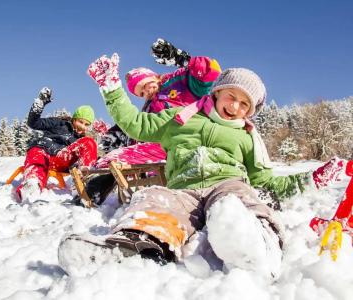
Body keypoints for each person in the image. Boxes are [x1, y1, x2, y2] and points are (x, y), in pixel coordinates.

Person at [59, 54, 347, 280]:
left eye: (245, 104)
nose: (235, 107)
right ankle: (131, 245)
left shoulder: (247, 135)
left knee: (238, 200)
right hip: (184, 188)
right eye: (231, 96)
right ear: (218, 92)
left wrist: (312, 179)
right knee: (154, 198)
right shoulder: (181, 117)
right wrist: (111, 88)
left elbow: (266, 180)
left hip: (227, 183)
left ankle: (257, 245)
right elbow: (136, 124)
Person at [86, 39, 221, 205]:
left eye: (144, 85)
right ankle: (91, 196)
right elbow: (138, 126)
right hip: (158, 148)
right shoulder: (148, 108)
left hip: (186, 142)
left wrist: (181, 59)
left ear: (153, 77)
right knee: (114, 157)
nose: (145, 92)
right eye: (140, 93)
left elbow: (210, 71)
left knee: (120, 157)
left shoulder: (179, 82)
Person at [16, 87, 98, 202]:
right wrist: (40, 103)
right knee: (37, 154)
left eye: (86, 124)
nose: (83, 126)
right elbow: (33, 123)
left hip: (61, 159)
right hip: (43, 152)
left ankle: (82, 182)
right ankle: (32, 184)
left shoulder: (81, 139)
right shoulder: (59, 123)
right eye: (80, 121)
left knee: (89, 142)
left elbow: (90, 155)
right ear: (74, 119)